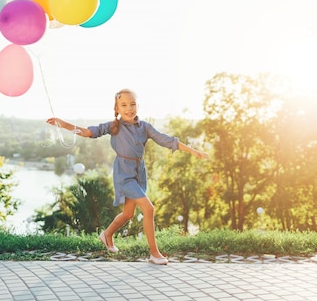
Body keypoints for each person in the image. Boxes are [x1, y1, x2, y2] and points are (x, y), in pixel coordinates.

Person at [46, 88, 209, 265]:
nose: (129, 108)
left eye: (132, 104)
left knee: (128, 214)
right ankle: (154, 253)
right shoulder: (112, 126)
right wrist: (63, 124)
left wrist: (193, 151)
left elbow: (167, 140)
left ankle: (107, 235)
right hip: (124, 173)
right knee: (149, 209)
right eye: (124, 105)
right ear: (117, 108)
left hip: (139, 172)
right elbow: (88, 132)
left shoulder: (145, 127)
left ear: (138, 105)